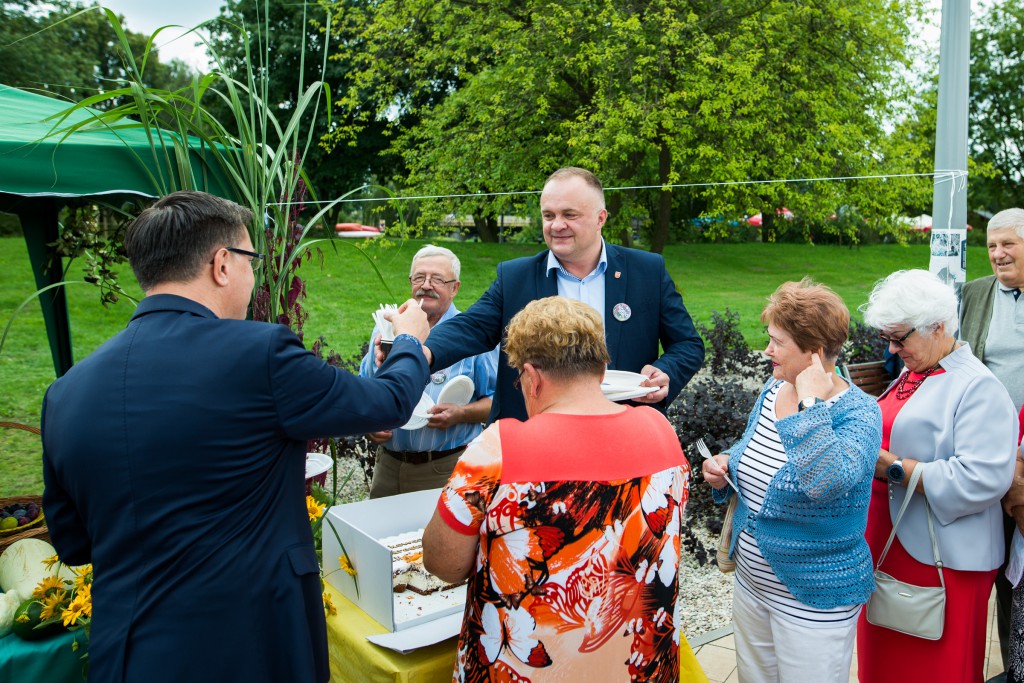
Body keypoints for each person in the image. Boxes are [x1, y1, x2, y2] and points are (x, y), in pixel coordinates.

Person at [40, 191, 432, 683]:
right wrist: (410, 339)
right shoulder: (259, 353)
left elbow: (73, 542)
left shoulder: (65, 394)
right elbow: (389, 402)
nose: (251, 275)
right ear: (222, 263)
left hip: (126, 653)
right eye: (250, 260)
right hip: (250, 645)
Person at [422, 296, 691, 681]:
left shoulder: (500, 447)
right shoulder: (660, 430)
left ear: (532, 378)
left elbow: (443, 564)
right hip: (637, 667)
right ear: (602, 368)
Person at [702, 279, 882, 682]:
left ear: (815, 353)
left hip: (814, 597)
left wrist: (810, 403)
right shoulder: (772, 389)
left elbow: (826, 483)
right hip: (752, 585)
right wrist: (725, 464)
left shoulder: (860, 414)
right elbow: (753, 449)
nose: (767, 351)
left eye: (777, 342)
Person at [422, 166, 705, 422]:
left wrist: (665, 371)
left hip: (624, 430)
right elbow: (471, 328)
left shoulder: (646, 271)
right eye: (549, 215)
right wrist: (424, 351)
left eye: (570, 215)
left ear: (600, 218)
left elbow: (688, 344)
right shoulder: (516, 277)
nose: (557, 225)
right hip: (537, 437)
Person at [857, 269, 1017, 683]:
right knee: (884, 665)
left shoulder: (977, 386)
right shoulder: (917, 371)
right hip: (889, 545)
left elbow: (982, 479)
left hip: (942, 555)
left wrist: (893, 467)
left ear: (939, 327)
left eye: (900, 338)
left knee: (938, 669)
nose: (892, 348)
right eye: (887, 338)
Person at [359, 245, 497, 498]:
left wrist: (461, 413)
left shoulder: (473, 337)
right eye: (420, 277)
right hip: (389, 466)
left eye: (437, 279)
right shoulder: (386, 331)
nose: (426, 285)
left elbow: (499, 400)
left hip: (446, 467)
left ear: (455, 287)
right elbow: (363, 388)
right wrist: (371, 422)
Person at [959, 208, 1024, 679]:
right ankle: (1006, 664)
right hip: (985, 446)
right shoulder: (975, 294)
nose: (998, 254)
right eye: (992, 246)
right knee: (993, 564)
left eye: (1009, 245)